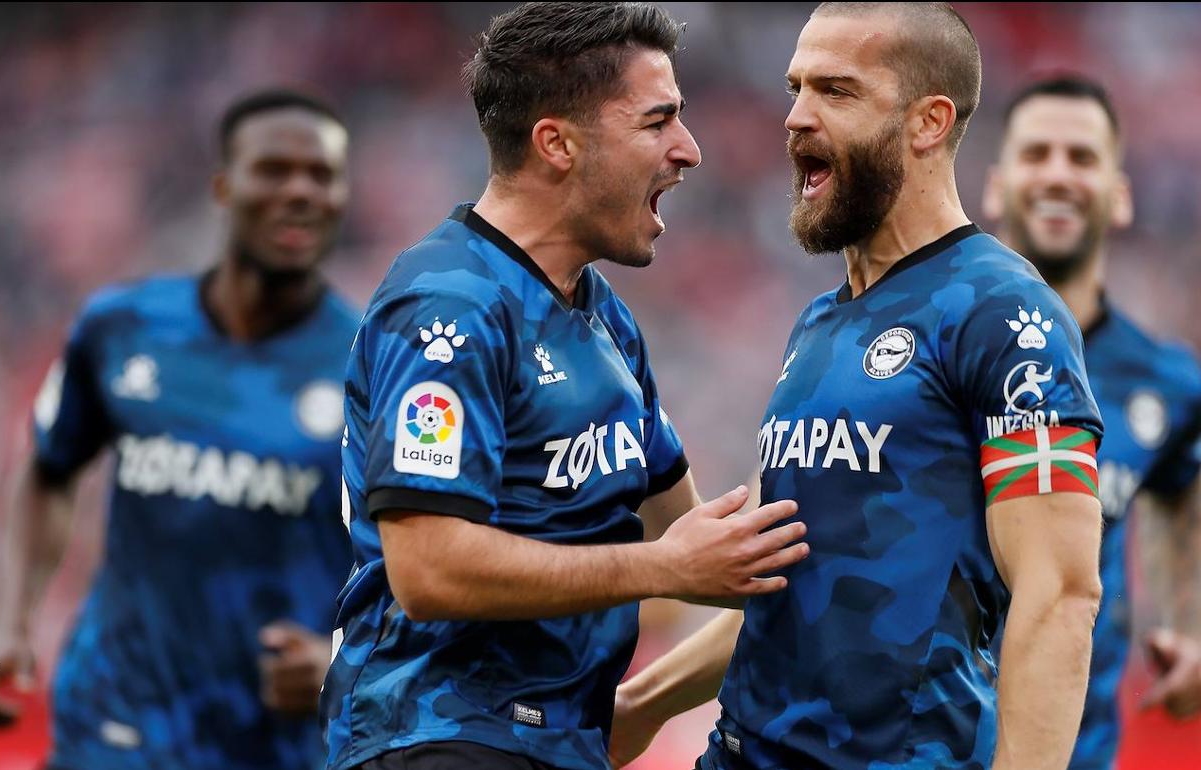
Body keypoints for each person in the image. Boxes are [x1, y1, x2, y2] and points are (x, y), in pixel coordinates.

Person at [612, 4, 1107, 769]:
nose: (795, 117)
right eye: (794, 88)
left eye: (835, 92)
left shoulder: (1006, 315)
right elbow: (785, 579)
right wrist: (641, 704)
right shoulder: (819, 325)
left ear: (928, 122)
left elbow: (1061, 594)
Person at [320, 3, 811, 770]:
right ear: (557, 143)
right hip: (440, 739)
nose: (690, 151)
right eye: (658, 122)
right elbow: (429, 568)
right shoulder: (450, 304)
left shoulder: (601, 318)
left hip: (563, 744)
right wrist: (665, 569)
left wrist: (863, 494)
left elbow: (697, 540)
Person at [0, 89, 359, 770]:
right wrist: (13, 626)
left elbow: (417, 560)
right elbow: (48, 469)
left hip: (272, 742)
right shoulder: (122, 328)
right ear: (224, 186)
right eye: (274, 170)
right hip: (114, 718)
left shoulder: (370, 364)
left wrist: (346, 659)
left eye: (321, 175)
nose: (300, 191)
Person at [982, 74, 1201, 768]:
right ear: (993, 186)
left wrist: (1185, 623)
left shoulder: (1166, 385)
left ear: (1120, 194)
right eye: (1036, 153)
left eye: (1081, 158)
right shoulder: (927, 346)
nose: (1056, 174)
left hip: (1075, 753)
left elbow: (1180, 487)